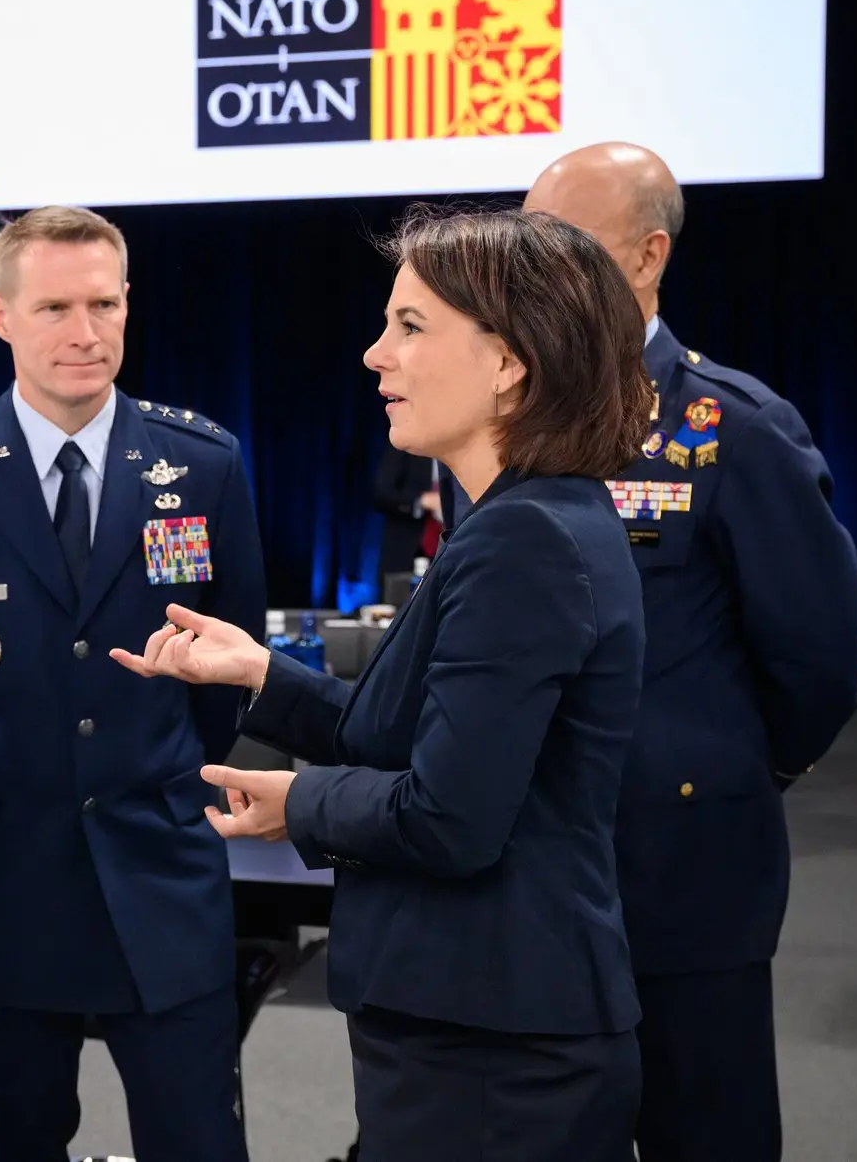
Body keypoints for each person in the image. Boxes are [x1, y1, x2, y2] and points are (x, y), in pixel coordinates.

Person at [115, 207, 654, 1162]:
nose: (375, 355)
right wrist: (258, 672)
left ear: (510, 361)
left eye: (411, 327)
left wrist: (297, 801)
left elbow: (448, 814)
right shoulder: (522, 521)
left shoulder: (521, 538)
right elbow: (425, 737)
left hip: (492, 1041)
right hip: (487, 1020)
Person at [0, 206, 266, 1162]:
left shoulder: (203, 464)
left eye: (104, 303)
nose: (84, 331)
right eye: (55, 305)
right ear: (0, 314)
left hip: (158, 875)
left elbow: (225, 680)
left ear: (129, 304)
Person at [523, 142, 857, 1162]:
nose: (533, 271)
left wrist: (723, 773)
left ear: (645, 256)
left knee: (700, 1132)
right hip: (535, 865)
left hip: (685, 870)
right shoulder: (512, 415)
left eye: (562, 246)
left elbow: (814, 657)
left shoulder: (733, 427)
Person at [370, 445, 440, 577]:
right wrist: (421, 500)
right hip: (407, 550)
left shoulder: (464, 450)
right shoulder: (407, 445)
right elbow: (381, 494)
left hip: (449, 553)